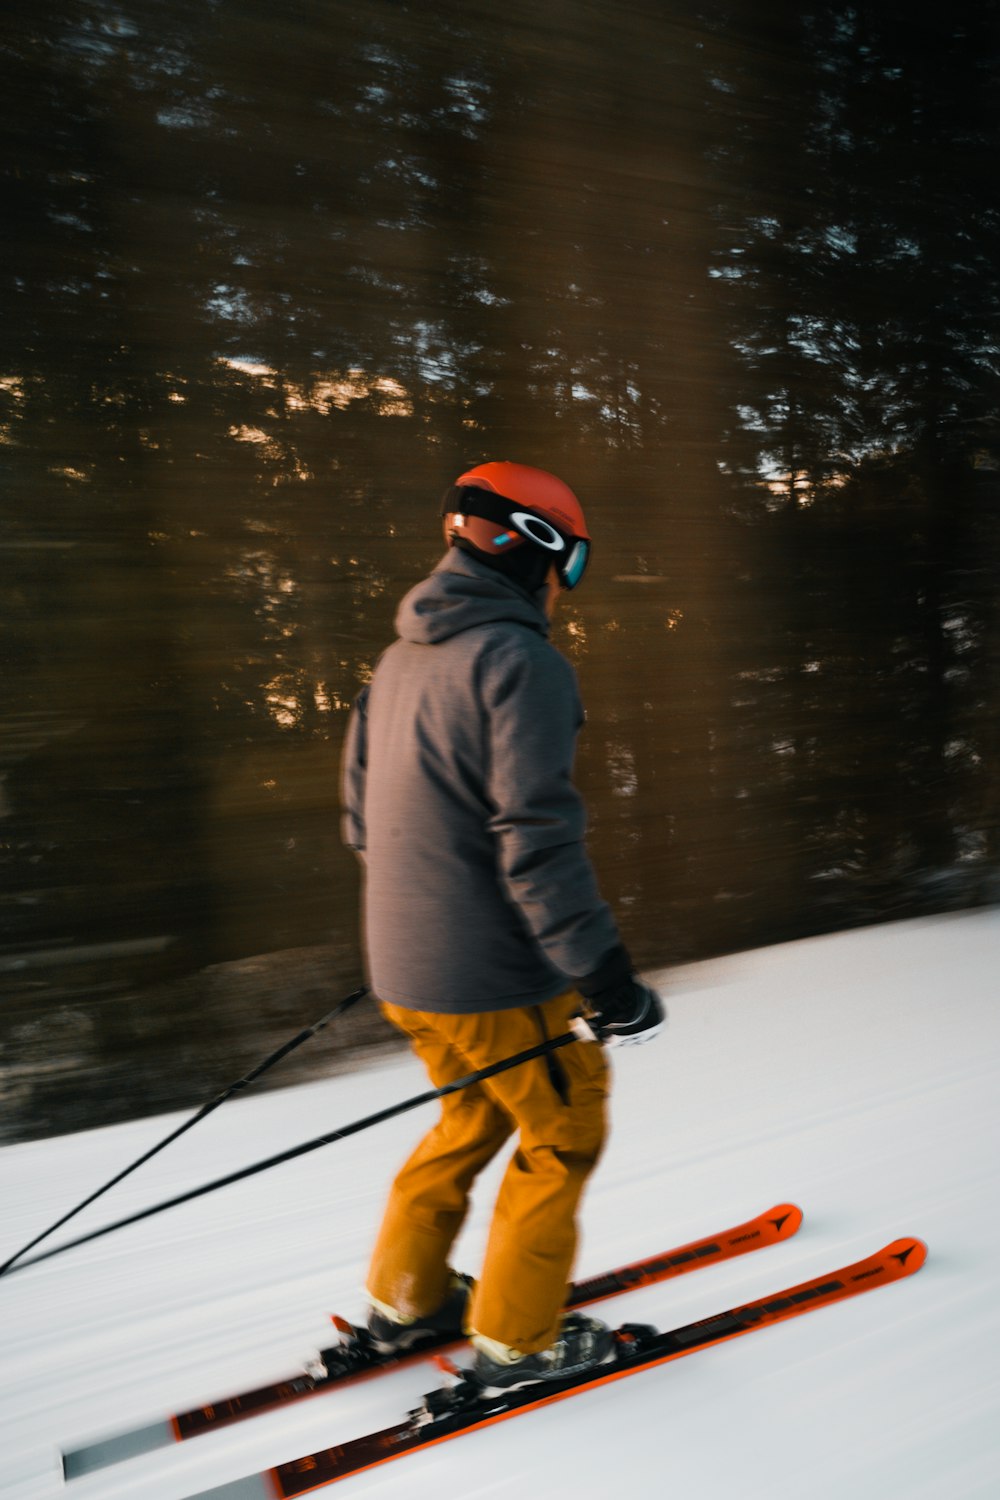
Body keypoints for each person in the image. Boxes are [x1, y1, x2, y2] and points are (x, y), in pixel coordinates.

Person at [340, 460, 664, 1394]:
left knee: (472, 1110)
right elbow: (536, 839)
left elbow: (365, 820)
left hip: (406, 970)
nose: (566, 591)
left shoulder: (400, 660)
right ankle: (519, 1341)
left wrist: (417, 922)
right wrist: (603, 973)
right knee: (562, 1126)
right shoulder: (521, 663)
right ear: (537, 548)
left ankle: (411, 1300)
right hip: (491, 975)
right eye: (571, 565)